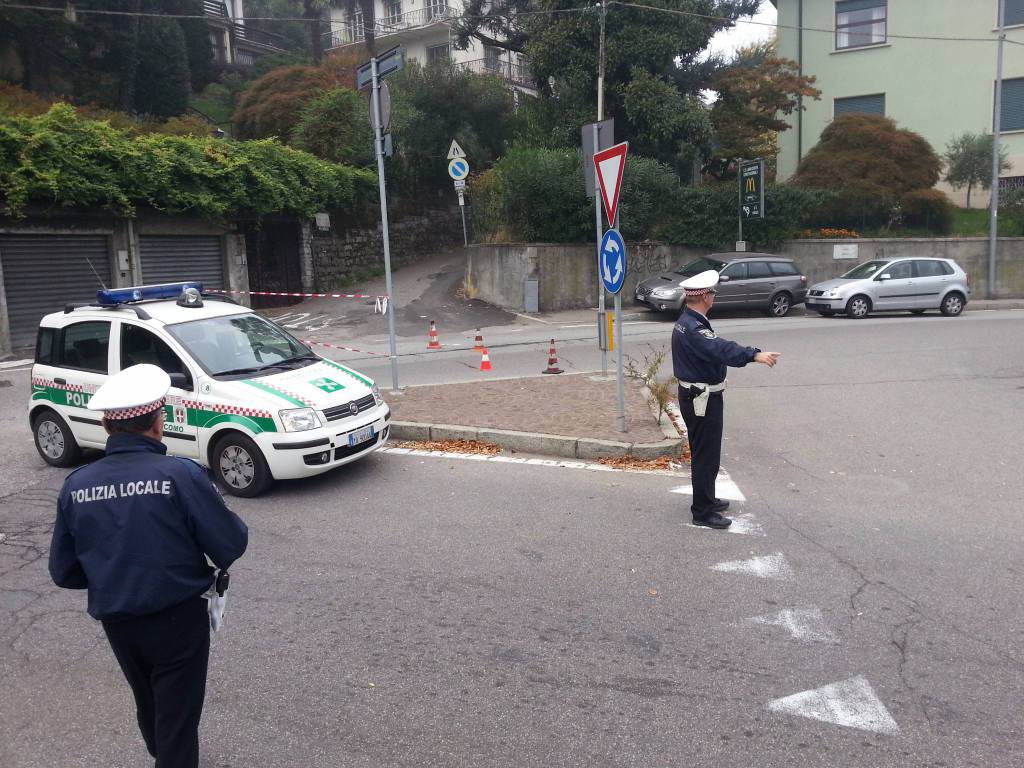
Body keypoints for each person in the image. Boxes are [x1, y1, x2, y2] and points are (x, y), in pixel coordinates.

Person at [48, 364, 248, 768]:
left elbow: (64, 570)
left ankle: (163, 752)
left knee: (149, 699)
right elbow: (231, 542)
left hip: (118, 619)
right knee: (178, 716)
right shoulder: (180, 474)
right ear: (158, 424)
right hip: (177, 618)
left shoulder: (77, 484)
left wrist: (113, 572)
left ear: (107, 425)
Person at [671, 270, 781, 529]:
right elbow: (719, 348)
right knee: (705, 455)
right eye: (712, 293)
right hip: (702, 398)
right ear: (705, 298)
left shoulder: (687, 320)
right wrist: (754, 355)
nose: (713, 297)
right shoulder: (695, 328)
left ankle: (707, 499)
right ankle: (702, 512)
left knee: (706, 452)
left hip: (698, 394)